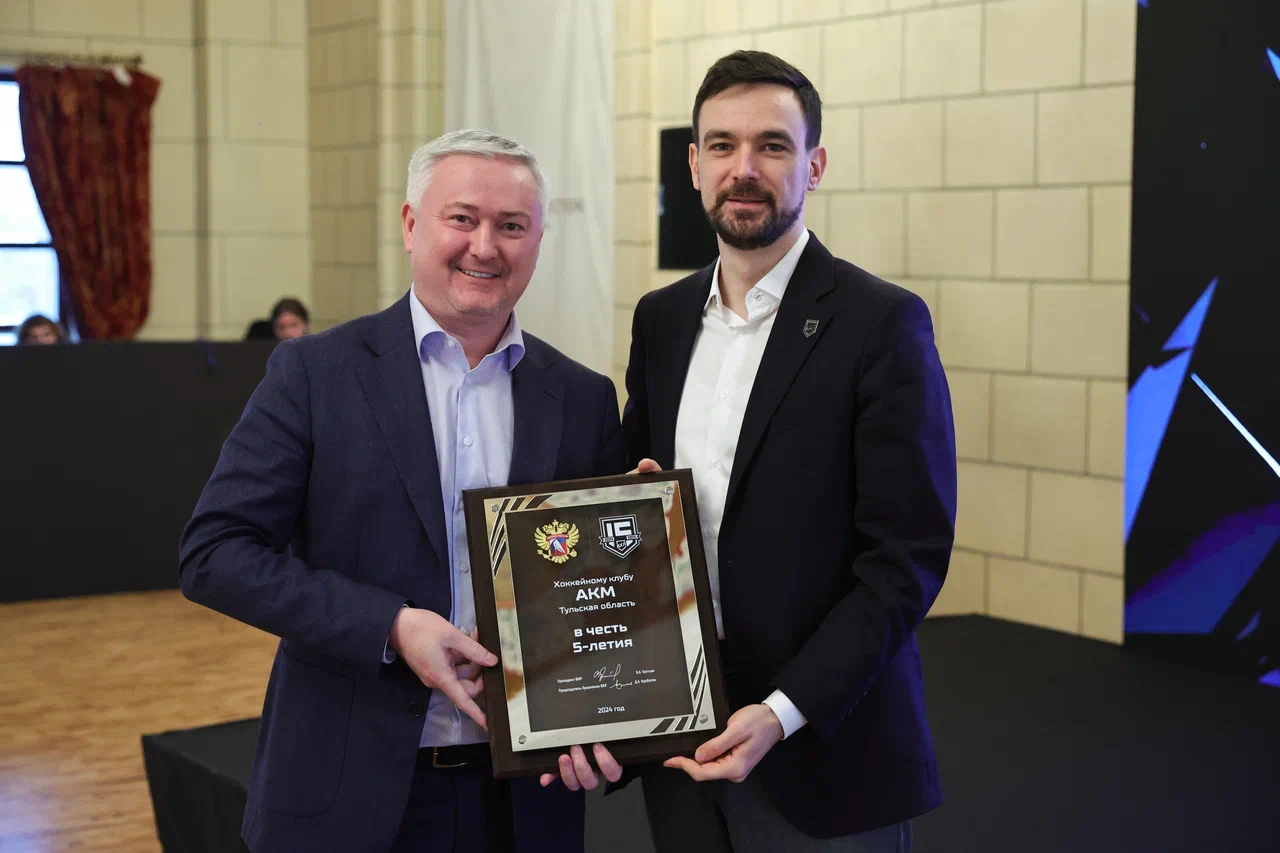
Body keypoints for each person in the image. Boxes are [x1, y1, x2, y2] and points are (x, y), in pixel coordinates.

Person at [549, 51, 958, 852]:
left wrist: (782, 710)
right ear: (694, 165)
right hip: (677, 735)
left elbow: (905, 559)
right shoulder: (662, 320)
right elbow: (634, 509)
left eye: (772, 145)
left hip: (824, 749)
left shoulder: (881, 323)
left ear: (815, 164)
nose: (745, 168)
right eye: (723, 145)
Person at [179, 129, 627, 852]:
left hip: (524, 803)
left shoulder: (583, 398)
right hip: (343, 792)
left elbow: (600, 593)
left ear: (539, 240)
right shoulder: (314, 374)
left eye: (512, 226)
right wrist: (390, 626)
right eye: (462, 218)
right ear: (412, 223)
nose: (486, 246)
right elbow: (215, 553)